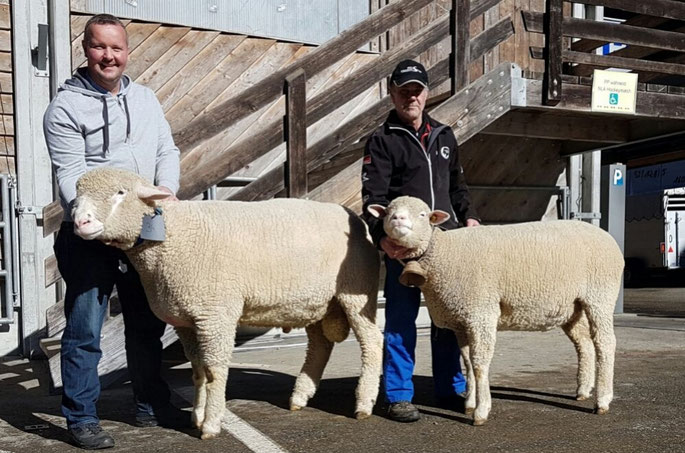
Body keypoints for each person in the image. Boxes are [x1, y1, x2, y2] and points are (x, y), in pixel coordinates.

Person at [43, 14, 187, 450]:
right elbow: (71, 174)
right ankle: (82, 416)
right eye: (99, 47)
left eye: (116, 48)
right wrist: (98, 221)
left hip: (141, 227)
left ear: (127, 52)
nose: (109, 56)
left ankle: (150, 403)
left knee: (147, 321)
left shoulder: (144, 98)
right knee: (85, 326)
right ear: (85, 50)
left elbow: (166, 148)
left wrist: (168, 191)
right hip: (89, 233)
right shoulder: (64, 108)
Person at [361, 59, 481, 423]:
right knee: (401, 318)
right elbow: (373, 199)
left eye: (417, 90)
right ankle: (398, 394)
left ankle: (449, 387)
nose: (410, 97)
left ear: (427, 93)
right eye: (403, 90)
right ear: (392, 93)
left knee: (447, 319)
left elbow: (457, 186)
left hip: (445, 248)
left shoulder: (445, 135)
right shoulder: (382, 141)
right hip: (403, 250)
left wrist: (470, 216)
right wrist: (383, 239)